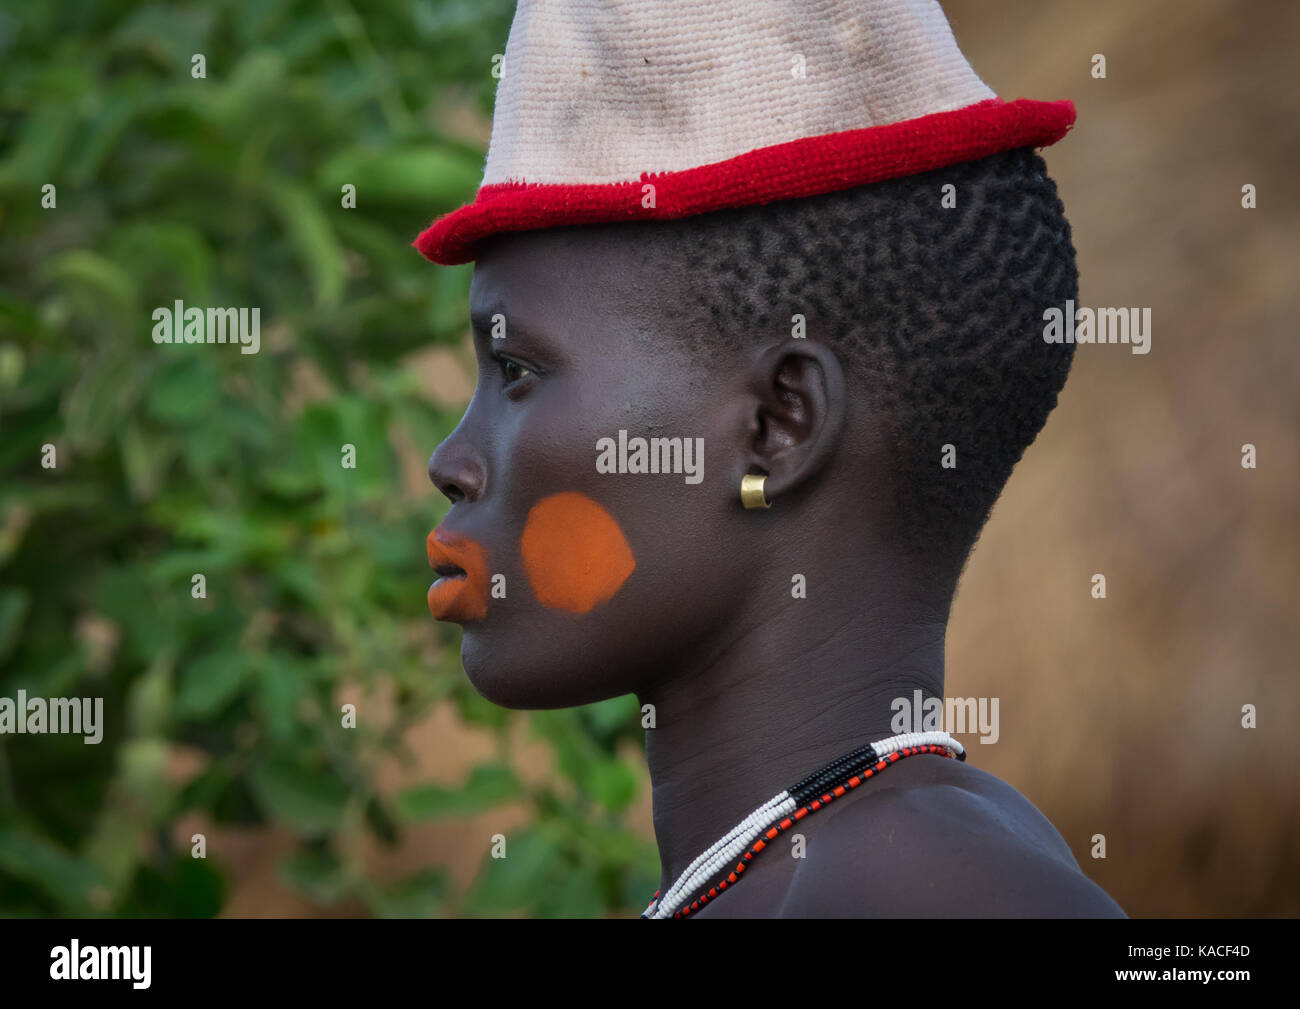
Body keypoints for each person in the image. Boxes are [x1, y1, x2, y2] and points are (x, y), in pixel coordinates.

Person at [418, 0, 1125, 918]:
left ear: (777, 424)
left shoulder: (930, 892)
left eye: (517, 370)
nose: (452, 460)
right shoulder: (862, 866)